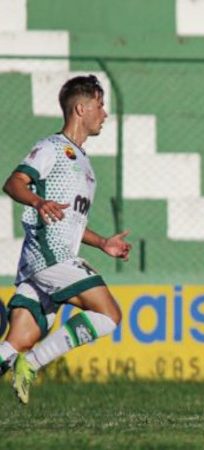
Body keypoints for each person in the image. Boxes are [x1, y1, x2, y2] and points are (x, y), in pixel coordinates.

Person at [0, 75, 131, 404]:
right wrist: (37, 201)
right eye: (100, 106)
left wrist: (102, 243)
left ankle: (22, 358)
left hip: (45, 261)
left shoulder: (84, 164)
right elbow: (14, 183)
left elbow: (68, 221)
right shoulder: (52, 148)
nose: (104, 113)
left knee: (15, 343)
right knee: (109, 315)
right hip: (50, 256)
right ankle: (31, 364)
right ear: (80, 108)